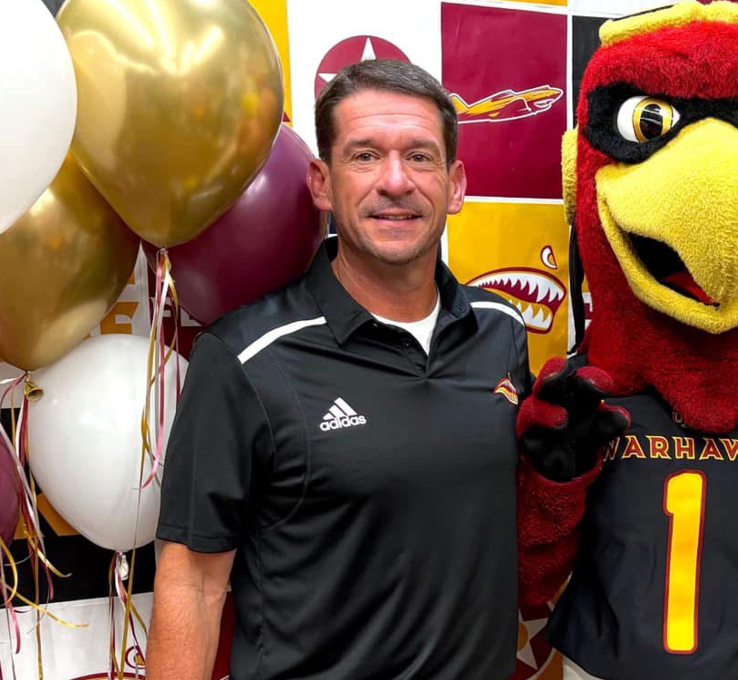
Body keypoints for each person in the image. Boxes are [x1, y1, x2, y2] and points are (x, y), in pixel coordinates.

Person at [147, 59, 532, 680]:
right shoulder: (244, 358)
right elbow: (192, 581)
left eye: (421, 157)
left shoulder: (501, 331)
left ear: (456, 184)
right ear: (321, 184)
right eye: (365, 156)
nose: (396, 181)